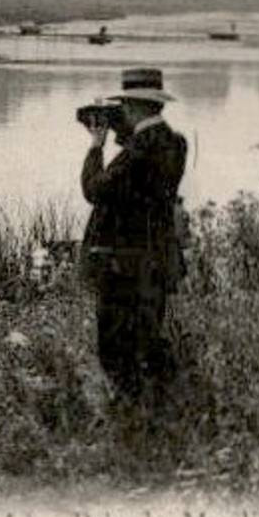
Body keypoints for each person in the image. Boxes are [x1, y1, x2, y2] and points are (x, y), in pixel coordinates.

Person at [79, 66, 188, 403]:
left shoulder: (138, 152)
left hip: (122, 266)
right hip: (155, 259)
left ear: (135, 107)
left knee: (114, 349)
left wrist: (97, 146)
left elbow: (94, 189)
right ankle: (167, 408)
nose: (120, 112)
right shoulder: (173, 142)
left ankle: (137, 417)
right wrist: (124, 133)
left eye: (124, 106)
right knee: (147, 339)